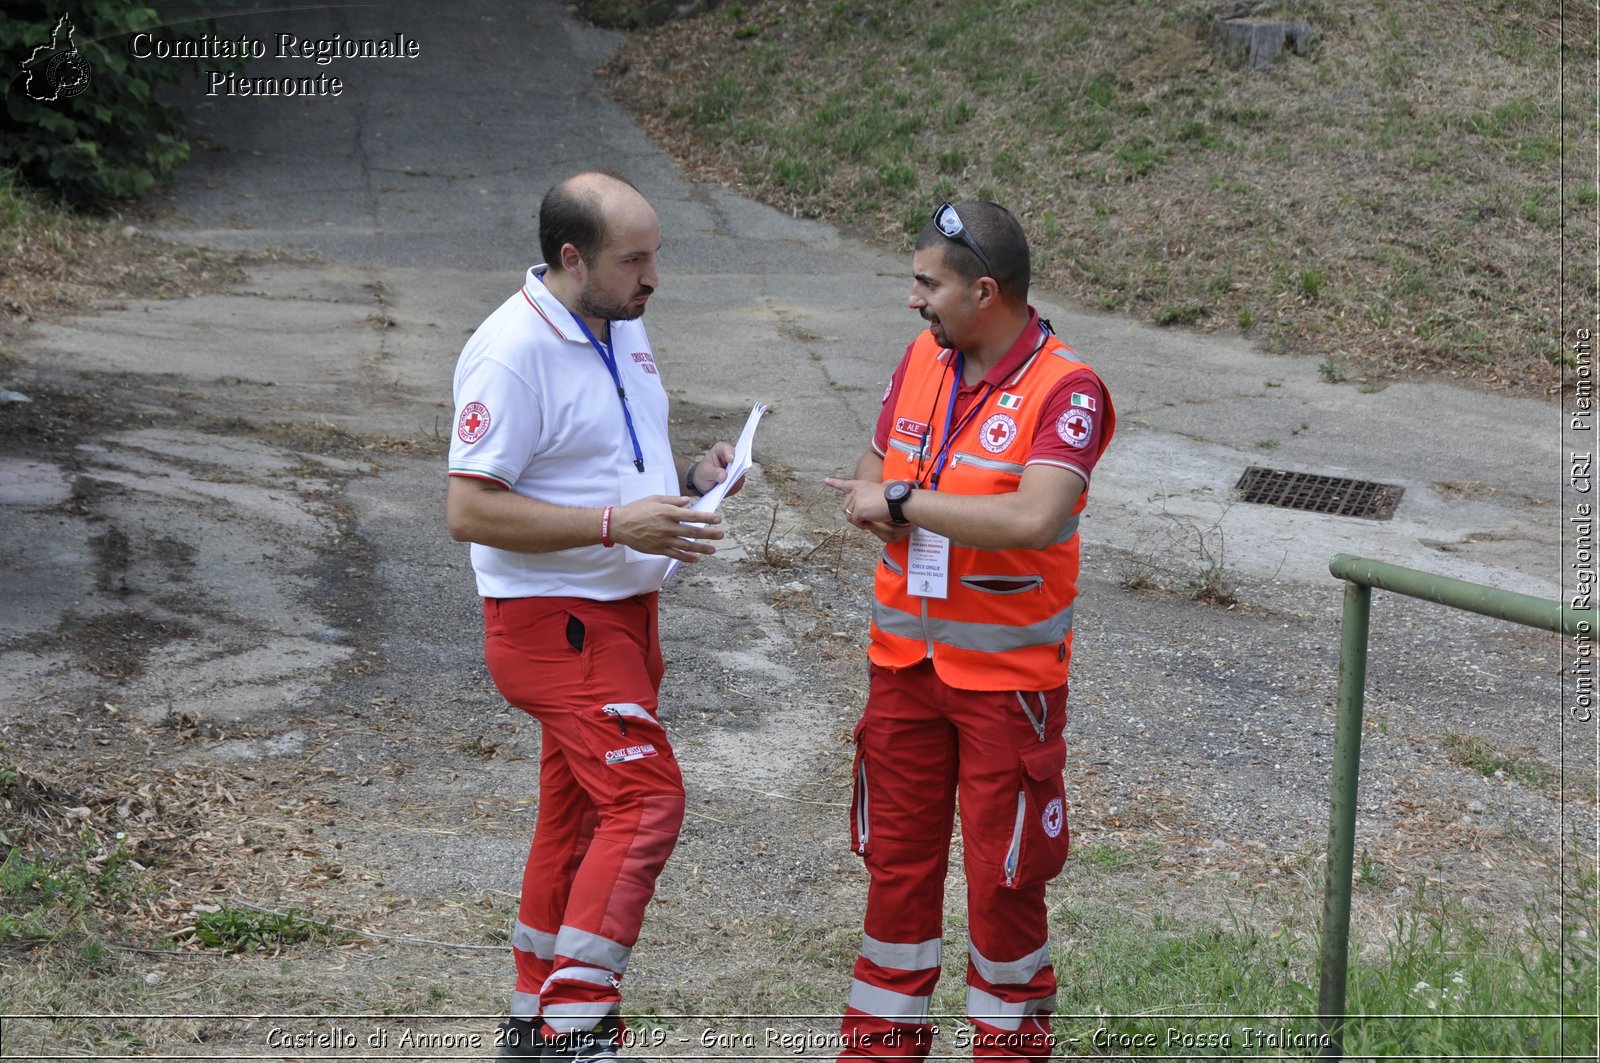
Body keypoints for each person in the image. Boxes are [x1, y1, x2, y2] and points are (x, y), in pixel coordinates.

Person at [446, 170, 740, 1061]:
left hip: (622, 617)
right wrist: (617, 524)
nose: (653, 278)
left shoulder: (619, 322)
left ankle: (533, 1018)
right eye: (635, 259)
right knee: (648, 800)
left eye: (656, 255)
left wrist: (689, 481)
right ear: (572, 259)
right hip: (554, 625)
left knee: (576, 818)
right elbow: (469, 509)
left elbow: (600, 457)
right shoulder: (511, 351)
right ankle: (577, 1027)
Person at [823, 201, 1115, 1061]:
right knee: (895, 877)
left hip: (1006, 689)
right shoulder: (925, 356)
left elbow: (1035, 517)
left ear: (984, 291)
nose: (912, 300)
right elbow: (881, 464)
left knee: (1006, 886)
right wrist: (875, 502)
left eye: (927, 283)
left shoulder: (1069, 389)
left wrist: (907, 504)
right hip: (903, 669)